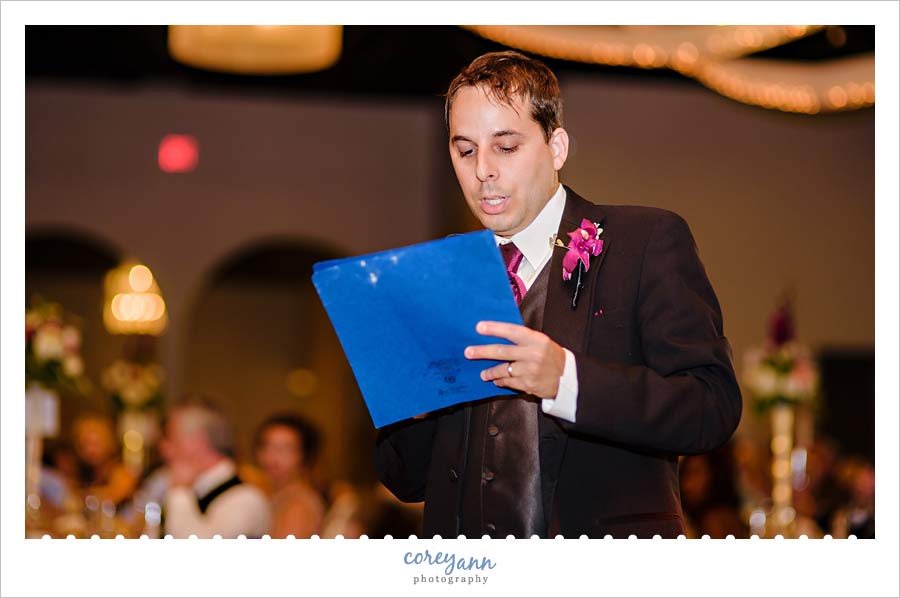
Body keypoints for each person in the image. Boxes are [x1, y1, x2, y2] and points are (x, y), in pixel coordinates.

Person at [375, 51, 742, 539]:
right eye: (465, 151)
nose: (483, 170)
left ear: (557, 147)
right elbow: (405, 478)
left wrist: (568, 380)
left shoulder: (644, 240)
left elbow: (710, 408)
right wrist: (411, 395)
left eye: (505, 147)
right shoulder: (438, 276)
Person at [161, 396, 271, 538]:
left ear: (196, 442)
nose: (165, 448)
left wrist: (180, 492)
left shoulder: (244, 498)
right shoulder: (195, 489)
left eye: (172, 439)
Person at [254, 413, 326, 538]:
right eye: (266, 447)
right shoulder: (277, 495)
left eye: (284, 449)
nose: (271, 458)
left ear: (304, 455)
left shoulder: (299, 506)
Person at [70, 414, 137, 506]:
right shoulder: (83, 472)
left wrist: (82, 495)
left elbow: (113, 496)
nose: (91, 450)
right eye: (86, 444)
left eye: (96, 444)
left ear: (108, 442)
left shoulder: (120, 470)